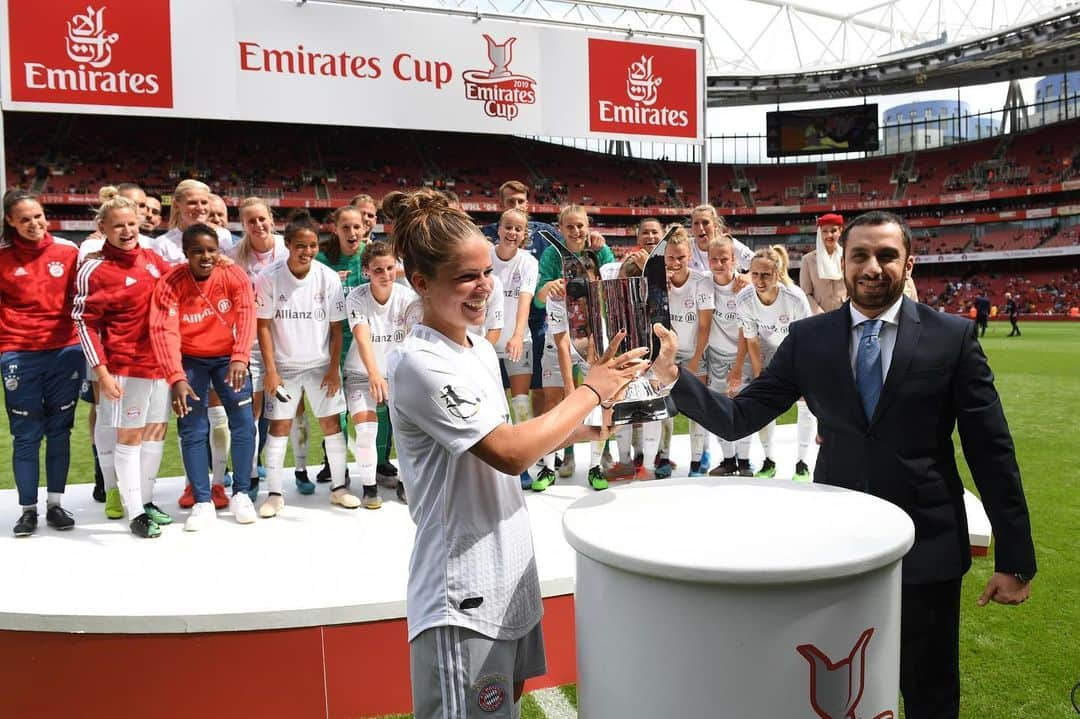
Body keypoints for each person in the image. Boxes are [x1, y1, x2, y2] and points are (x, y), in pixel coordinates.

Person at [652, 210, 1036, 719]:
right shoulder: (811, 338)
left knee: (931, 692)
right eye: (860, 255)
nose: (872, 266)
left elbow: (992, 449)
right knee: (836, 690)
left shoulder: (953, 338)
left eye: (886, 255)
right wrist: (672, 375)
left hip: (928, 545)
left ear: (909, 264)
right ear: (844, 264)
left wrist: (1015, 556)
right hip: (837, 544)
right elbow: (740, 416)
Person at [382, 188, 646, 719]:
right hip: (461, 591)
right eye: (465, 277)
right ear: (420, 283)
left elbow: (515, 436)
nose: (484, 287)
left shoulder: (476, 348)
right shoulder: (418, 362)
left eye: (486, 273)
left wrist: (599, 417)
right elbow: (508, 453)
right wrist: (588, 392)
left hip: (510, 573)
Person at [73, 192, 173, 538]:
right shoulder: (94, 269)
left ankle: (144, 501)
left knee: (155, 434)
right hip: (124, 367)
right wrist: (101, 371)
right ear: (102, 228)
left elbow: (177, 285)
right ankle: (134, 513)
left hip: (160, 365)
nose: (127, 231)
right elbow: (83, 322)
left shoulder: (152, 258)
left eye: (131, 224)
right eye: (118, 226)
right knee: (128, 438)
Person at [149, 223, 258, 529]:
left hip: (227, 358)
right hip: (190, 360)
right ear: (185, 254)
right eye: (198, 251)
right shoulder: (171, 282)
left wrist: (240, 357)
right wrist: (176, 376)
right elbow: (163, 330)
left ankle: (241, 494)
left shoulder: (232, 274)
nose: (206, 257)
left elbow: (247, 313)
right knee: (192, 429)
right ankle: (201, 500)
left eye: (212, 250)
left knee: (243, 424)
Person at [254, 210, 358, 517]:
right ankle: (274, 494)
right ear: (287, 244)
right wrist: (271, 372)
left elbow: (337, 329)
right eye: (301, 245)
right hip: (284, 370)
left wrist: (333, 369)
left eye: (313, 245)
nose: (307, 251)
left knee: (331, 427)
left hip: (320, 367)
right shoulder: (269, 278)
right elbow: (263, 327)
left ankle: (339, 489)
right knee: (279, 429)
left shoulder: (327, 278)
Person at [0, 190, 83, 537]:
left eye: (37, 216)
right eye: (24, 219)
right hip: (19, 353)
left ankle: (55, 504)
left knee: (59, 431)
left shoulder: (69, 251)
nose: (33, 224)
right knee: (25, 435)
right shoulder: (2, 257)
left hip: (66, 351)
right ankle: (27, 510)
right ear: (10, 222)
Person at [533, 205, 616, 481]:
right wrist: (548, 288)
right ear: (560, 228)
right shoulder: (551, 254)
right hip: (561, 332)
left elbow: (615, 280)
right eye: (570, 226)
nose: (576, 231)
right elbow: (539, 299)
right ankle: (565, 453)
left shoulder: (599, 251)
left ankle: (601, 452)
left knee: (602, 399)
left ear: (588, 226)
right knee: (557, 400)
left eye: (580, 225)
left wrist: (603, 249)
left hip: (593, 333)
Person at [343, 241, 416, 507]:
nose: (385, 274)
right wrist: (375, 375)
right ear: (366, 271)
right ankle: (369, 489)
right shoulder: (357, 297)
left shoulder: (407, 298)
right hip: (362, 374)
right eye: (378, 270)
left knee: (408, 431)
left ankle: (407, 484)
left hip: (398, 375)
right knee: (365, 431)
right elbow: (362, 338)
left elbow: (412, 341)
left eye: (390, 267)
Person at [735, 245, 815, 481]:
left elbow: (807, 339)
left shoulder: (795, 297)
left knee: (804, 405)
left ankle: (802, 462)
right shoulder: (744, 299)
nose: (759, 280)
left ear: (777, 274)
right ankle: (769, 460)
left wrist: (801, 376)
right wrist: (762, 377)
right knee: (764, 402)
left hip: (798, 350)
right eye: (755, 274)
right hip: (768, 350)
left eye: (766, 275)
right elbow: (752, 341)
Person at [226, 196, 287, 502]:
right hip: (250, 341)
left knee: (284, 412)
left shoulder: (287, 249)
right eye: (251, 221)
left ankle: (287, 471)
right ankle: (248, 474)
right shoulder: (234, 255)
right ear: (243, 225)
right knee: (252, 410)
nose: (258, 225)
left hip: (285, 340)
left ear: (271, 219)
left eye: (262, 219)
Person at [312, 204, 371, 484]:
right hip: (332, 344)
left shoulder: (370, 258)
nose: (351, 232)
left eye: (356, 226)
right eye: (345, 227)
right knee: (335, 407)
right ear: (334, 229)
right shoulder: (322, 260)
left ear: (364, 228)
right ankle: (333, 463)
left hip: (366, 346)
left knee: (371, 406)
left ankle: (378, 462)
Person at [663, 226, 714, 476]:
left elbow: (705, 325)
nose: (675, 262)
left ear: (690, 254)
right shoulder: (660, 281)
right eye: (671, 257)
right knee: (666, 408)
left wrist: (695, 360)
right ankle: (663, 458)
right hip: (669, 354)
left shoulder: (701, 282)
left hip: (696, 352)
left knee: (696, 407)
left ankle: (696, 462)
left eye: (681, 257)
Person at [704, 234, 753, 477]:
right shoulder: (704, 284)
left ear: (734, 260)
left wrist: (739, 363)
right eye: (714, 259)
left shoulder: (745, 287)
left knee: (744, 407)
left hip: (741, 356)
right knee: (718, 408)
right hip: (716, 355)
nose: (719, 264)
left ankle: (744, 460)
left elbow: (747, 328)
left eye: (724, 259)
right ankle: (728, 459)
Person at [800, 213, 847, 314]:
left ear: (840, 231)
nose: (829, 235)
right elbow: (806, 293)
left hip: (845, 313)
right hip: (819, 315)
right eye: (824, 231)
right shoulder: (807, 260)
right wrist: (820, 314)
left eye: (833, 231)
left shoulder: (848, 256)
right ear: (819, 233)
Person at [688, 204, 753, 275]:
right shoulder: (686, 247)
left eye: (705, 223)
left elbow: (758, 263)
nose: (700, 228)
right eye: (696, 223)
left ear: (715, 225)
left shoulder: (728, 244)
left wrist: (747, 277)